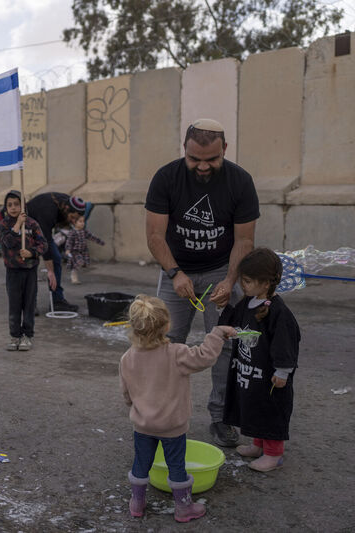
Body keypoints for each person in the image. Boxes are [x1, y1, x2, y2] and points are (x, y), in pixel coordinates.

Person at [145, 118, 260, 448]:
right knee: (164, 344)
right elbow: (154, 236)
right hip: (175, 269)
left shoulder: (240, 182)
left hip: (220, 271)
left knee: (225, 346)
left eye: (211, 159)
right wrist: (175, 274)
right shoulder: (166, 178)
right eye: (195, 159)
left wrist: (229, 280)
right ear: (185, 149)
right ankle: (158, 416)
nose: (203, 166)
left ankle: (221, 418)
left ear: (224, 149)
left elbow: (244, 241)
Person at [120, 294, 236, 522]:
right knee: (176, 466)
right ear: (167, 325)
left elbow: (126, 393)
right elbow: (204, 357)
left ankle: (137, 504)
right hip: (173, 426)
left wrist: (136, 408)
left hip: (142, 424)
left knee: (141, 463)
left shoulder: (127, 358)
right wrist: (217, 333)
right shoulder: (177, 354)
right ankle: (183, 508)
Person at [219, 248, 301, 472]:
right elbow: (233, 323)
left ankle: (273, 454)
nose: (242, 285)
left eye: (246, 281)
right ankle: (258, 444)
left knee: (270, 409)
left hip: (270, 375)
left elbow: (286, 344)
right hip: (250, 370)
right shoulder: (248, 302)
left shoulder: (279, 312)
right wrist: (223, 310)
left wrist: (283, 371)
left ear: (266, 283)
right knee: (253, 405)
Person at [0, 190, 48, 351]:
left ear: (23, 205)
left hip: (29, 270)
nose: (13, 208)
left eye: (17, 204)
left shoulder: (32, 224)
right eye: (10, 205)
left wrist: (32, 252)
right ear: (6, 207)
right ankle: (15, 335)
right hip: (13, 271)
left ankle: (27, 335)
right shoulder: (3, 224)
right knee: (14, 305)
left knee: (29, 304)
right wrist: (17, 224)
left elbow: (43, 245)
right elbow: (8, 242)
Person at [25, 192, 91, 312]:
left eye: (77, 219)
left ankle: (57, 301)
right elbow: (44, 242)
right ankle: (29, 304)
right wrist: (49, 271)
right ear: (66, 209)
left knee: (56, 259)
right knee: (31, 263)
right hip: (26, 229)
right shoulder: (48, 210)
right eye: (73, 217)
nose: (74, 221)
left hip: (43, 230)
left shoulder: (68, 203)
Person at [64, 215, 105, 285]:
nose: (82, 223)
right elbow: (69, 242)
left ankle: (74, 274)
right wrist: (68, 250)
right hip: (75, 252)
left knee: (83, 263)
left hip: (83, 251)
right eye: (80, 221)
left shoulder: (84, 231)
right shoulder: (72, 232)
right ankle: (74, 277)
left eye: (83, 221)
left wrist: (100, 242)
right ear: (75, 223)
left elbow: (92, 237)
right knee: (79, 262)